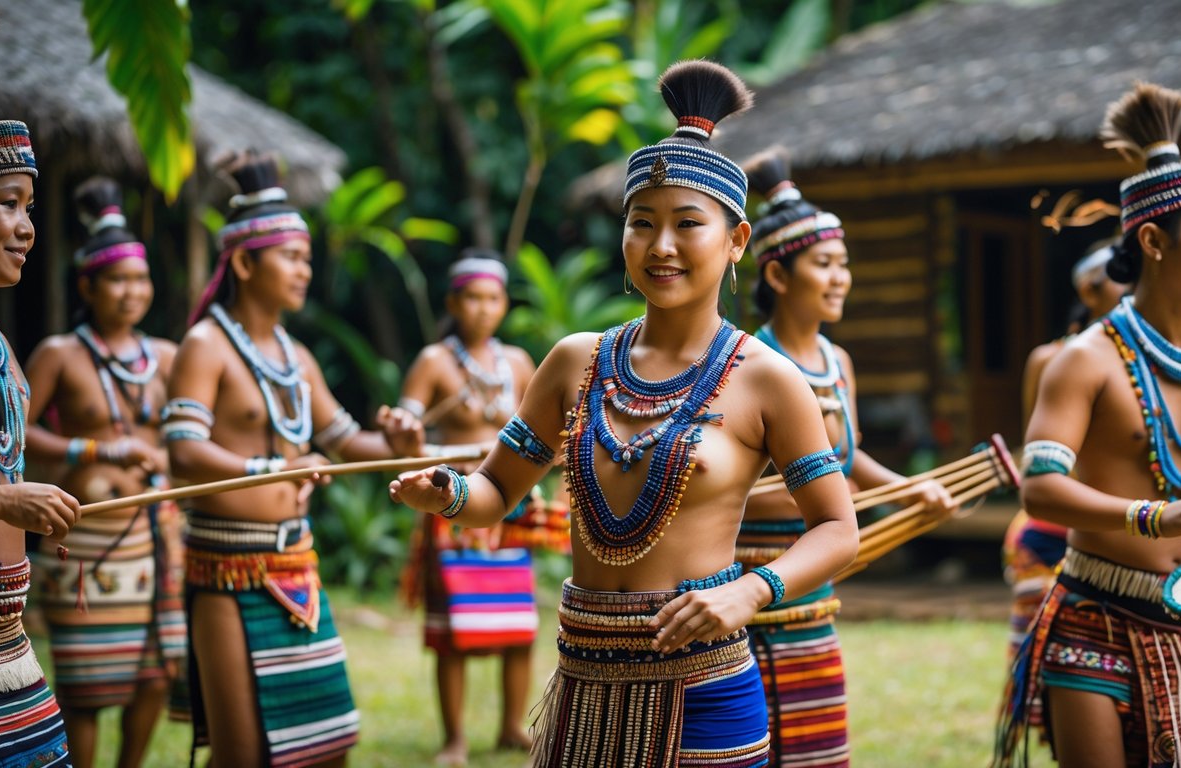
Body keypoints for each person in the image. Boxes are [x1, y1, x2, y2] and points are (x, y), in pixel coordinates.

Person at [390, 60, 859, 768]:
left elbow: (836, 527)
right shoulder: (573, 361)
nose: (660, 246)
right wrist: (449, 494)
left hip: (705, 687)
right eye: (641, 223)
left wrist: (748, 592)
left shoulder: (767, 381)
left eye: (686, 225)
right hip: (583, 685)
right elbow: (495, 493)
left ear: (735, 243)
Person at [994, 83, 1181, 768]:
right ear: (1155, 240)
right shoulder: (1085, 360)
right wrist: (1155, 517)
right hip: (1091, 617)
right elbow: (1039, 489)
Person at [166, 152, 420, 767]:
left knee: (324, 746)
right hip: (226, 569)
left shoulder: (296, 356)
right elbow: (181, 451)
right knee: (243, 754)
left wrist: (398, 443)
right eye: (293, 258)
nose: (305, 271)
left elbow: (344, 441)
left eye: (307, 258)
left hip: (294, 562)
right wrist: (265, 470)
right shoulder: (207, 344)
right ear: (247, 262)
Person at [737, 147, 955, 767]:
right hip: (748, 570)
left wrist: (906, 489)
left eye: (844, 264)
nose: (839, 278)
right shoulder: (749, 364)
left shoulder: (838, 363)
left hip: (814, 577)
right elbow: (736, 488)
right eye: (824, 264)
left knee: (817, 747)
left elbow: (845, 458)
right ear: (778, 276)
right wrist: (840, 503)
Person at [23, 177, 184, 767]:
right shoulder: (60, 354)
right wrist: (92, 451)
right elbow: (18, 433)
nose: (131, 291)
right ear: (88, 284)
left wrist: (166, 460)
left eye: (140, 279)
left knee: (156, 675)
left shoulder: (167, 356)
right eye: (117, 279)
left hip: (154, 538)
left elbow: (191, 438)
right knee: (87, 691)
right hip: (84, 539)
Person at [0, 1, 79, 764]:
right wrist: (0, 501)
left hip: (12, 655)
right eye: (8, 204)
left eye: (30, 207)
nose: (27, 228)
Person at [397, 248, 538, 766]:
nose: (483, 308)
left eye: (493, 298)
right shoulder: (435, 361)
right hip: (451, 506)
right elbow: (405, 431)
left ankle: (509, 727)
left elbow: (540, 431)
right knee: (452, 632)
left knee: (519, 627)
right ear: (454, 302)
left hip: (507, 511)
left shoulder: (519, 362)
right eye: (473, 298)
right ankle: (454, 738)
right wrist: (406, 430)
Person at [1000, 239, 1126, 658]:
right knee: (1044, 662)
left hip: (1124, 536)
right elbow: (1038, 457)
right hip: (1054, 528)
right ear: (1089, 290)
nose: (1133, 289)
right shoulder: (1052, 358)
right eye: (1120, 279)